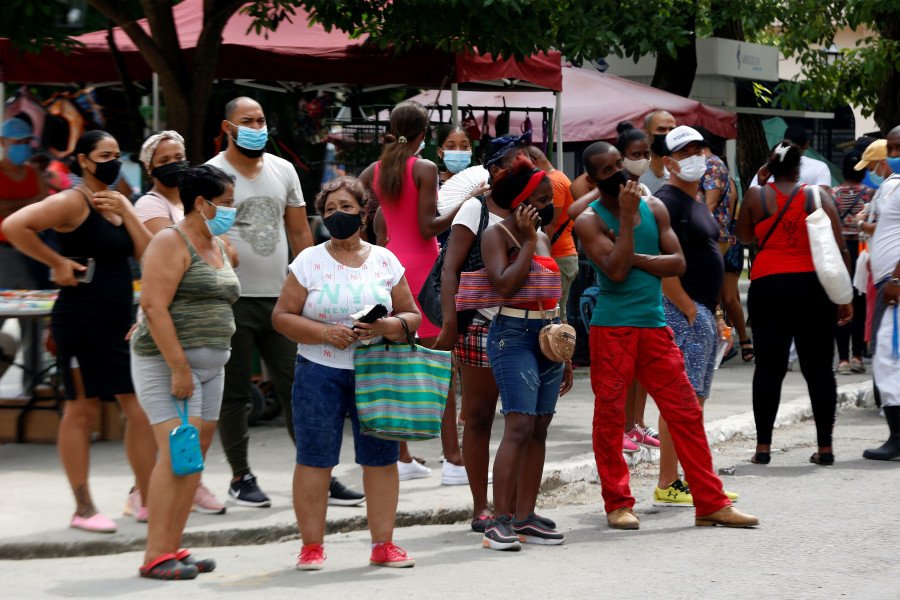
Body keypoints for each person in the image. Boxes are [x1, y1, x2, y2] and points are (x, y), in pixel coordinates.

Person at [574, 140, 758, 530]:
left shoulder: (654, 207)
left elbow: (677, 262)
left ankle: (710, 502)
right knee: (610, 419)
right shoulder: (589, 220)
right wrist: (625, 222)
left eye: (618, 164)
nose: (619, 174)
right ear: (592, 179)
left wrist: (635, 256)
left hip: (654, 327)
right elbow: (617, 273)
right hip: (613, 329)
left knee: (686, 412)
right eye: (607, 172)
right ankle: (618, 503)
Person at [207, 97, 361, 508]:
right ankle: (241, 476)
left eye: (260, 119)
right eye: (247, 121)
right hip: (232, 299)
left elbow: (299, 235)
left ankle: (319, 473)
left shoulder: (284, 169)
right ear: (228, 126)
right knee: (234, 392)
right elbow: (202, 235)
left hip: (283, 301)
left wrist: (315, 286)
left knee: (301, 387)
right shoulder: (211, 173)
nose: (256, 126)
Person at [2, 130, 156, 533]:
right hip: (80, 318)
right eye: (104, 155)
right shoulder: (72, 200)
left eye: (116, 154)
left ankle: (145, 499)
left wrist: (126, 206)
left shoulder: (118, 200)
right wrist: (55, 262)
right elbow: (15, 225)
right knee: (82, 410)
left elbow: (148, 254)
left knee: (138, 409)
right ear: (84, 161)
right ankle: (83, 507)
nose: (113, 161)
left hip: (119, 320)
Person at [272, 175, 421, 570]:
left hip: (376, 372)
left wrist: (388, 326)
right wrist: (324, 332)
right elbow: (282, 317)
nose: (338, 215)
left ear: (364, 212)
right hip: (318, 371)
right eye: (330, 210)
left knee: (381, 458)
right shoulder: (308, 261)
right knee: (315, 459)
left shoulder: (385, 260)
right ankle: (311, 547)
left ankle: (383, 545)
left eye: (346, 207)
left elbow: (412, 315)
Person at [131, 164, 240, 580]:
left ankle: (173, 547)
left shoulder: (219, 243)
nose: (233, 209)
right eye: (227, 203)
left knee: (191, 461)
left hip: (212, 367)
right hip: (170, 365)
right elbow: (154, 306)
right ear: (201, 202)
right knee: (178, 455)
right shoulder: (168, 241)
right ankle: (155, 555)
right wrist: (179, 367)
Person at [360, 100, 464, 483]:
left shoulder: (376, 169)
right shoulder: (425, 168)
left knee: (398, 363)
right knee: (440, 368)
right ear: (425, 133)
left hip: (387, 270)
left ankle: (403, 458)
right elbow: (428, 227)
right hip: (421, 271)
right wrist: (464, 205)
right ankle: (453, 460)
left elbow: (375, 218)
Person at [477, 153, 574, 551]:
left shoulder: (547, 237)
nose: (551, 203)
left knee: (539, 428)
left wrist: (564, 351)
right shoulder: (496, 236)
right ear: (523, 200)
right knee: (518, 426)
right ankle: (498, 521)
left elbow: (553, 297)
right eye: (544, 195)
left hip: (546, 339)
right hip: (511, 335)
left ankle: (525, 517)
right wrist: (530, 240)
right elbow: (504, 287)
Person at [736, 141, 853, 466]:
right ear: (800, 167)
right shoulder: (818, 195)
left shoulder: (756, 196)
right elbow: (840, 247)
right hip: (813, 288)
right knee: (818, 370)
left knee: (768, 369)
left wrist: (761, 184)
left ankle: (763, 447)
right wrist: (844, 297)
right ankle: (826, 448)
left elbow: (744, 236)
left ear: (771, 167)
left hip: (768, 286)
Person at [432, 140, 521, 530]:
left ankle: (515, 505)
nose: (521, 168)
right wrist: (450, 322)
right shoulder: (476, 207)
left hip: (524, 325)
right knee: (480, 417)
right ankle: (480, 506)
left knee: (522, 420)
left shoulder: (529, 209)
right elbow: (449, 268)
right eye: (513, 163)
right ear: (495, 170)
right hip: (480, 323)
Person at [653, 126, 737, 507]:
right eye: (684, 152)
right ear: (668, 162)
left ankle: (691, 480)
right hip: (682, 310)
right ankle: (669, 482)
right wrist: (688, 309)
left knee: (695, 401)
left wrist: (714, 313)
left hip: (701, 310)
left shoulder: (698, 200)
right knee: (680, 403)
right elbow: (663, 265)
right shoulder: (665, 202)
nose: (695, 157)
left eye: (698, 149)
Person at [567, 123, 658, 455]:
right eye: (632, 156)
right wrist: (609, 188)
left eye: (639, 157)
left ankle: (635, 424)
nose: (633, 164)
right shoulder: (598, 197)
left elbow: (673, 258)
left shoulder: (644, 195)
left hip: (646, 301)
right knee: (613, 378)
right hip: (610, 291)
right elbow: (575, 212)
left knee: (638, 373)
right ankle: (618, 427)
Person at [693, 125, 751, 363]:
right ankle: (741, 342)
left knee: (714, 298)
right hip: (727, 238)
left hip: (714, 239)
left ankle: (720, 345)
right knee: (727, 297)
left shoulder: (710, 164)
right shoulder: (721, 166)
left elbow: (709, 205)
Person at [860, 126, 900, 461]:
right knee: (888, 358)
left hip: (896, 285)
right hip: (889, 282)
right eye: (892, 149)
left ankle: (897, 438)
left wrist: (896, 280)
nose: (894, 156)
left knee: (887, 358)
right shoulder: (892, 186)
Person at [0, 117, 48, 394]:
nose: (21, 147)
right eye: (16, 142)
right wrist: (29, 205)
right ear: (4, 143)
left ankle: (32, 384)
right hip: (4, 255)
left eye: (25, 142)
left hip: (31, 256)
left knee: (33, 326)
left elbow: (46, 207)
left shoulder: (35, 174)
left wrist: (15, 208)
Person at [832, 150, 873, 375]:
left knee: (841, 305)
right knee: (860, 305)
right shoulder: (870, 193)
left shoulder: (834, 193)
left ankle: (843, 361)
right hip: (861, 251)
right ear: (864, 171)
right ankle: (858, 356)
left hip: (840, 252)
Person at [750, 124, 832, 190]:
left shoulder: (766, 170)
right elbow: (823, 196)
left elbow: (752, 197)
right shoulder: (820, 167)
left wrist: (761, 185)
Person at [639, 110, 676, 194]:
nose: (668, 134)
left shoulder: (677, 172)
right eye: (661, 130)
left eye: (672, 130)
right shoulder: (634, 174)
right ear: (646, 134)